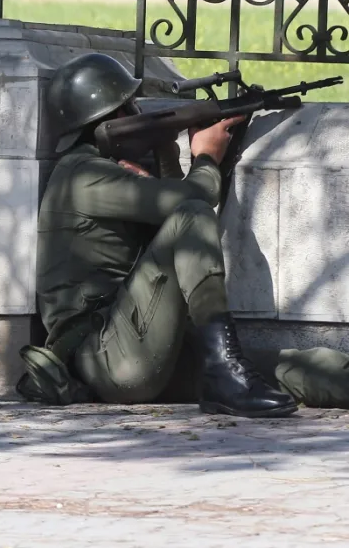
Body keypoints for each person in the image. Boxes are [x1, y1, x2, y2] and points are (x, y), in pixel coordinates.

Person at [32, 53, 349, 416]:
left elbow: (166, 239)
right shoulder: (80, 176)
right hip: (104, 359)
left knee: (297, 366)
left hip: (143, 350)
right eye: (130, 106)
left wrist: (164, 148)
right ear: (112, 118)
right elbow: (191, 205)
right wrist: (206, 158)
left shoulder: (100, 172)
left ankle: (229, 371)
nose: (137, 112)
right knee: (193, 214)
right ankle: (223, 374)